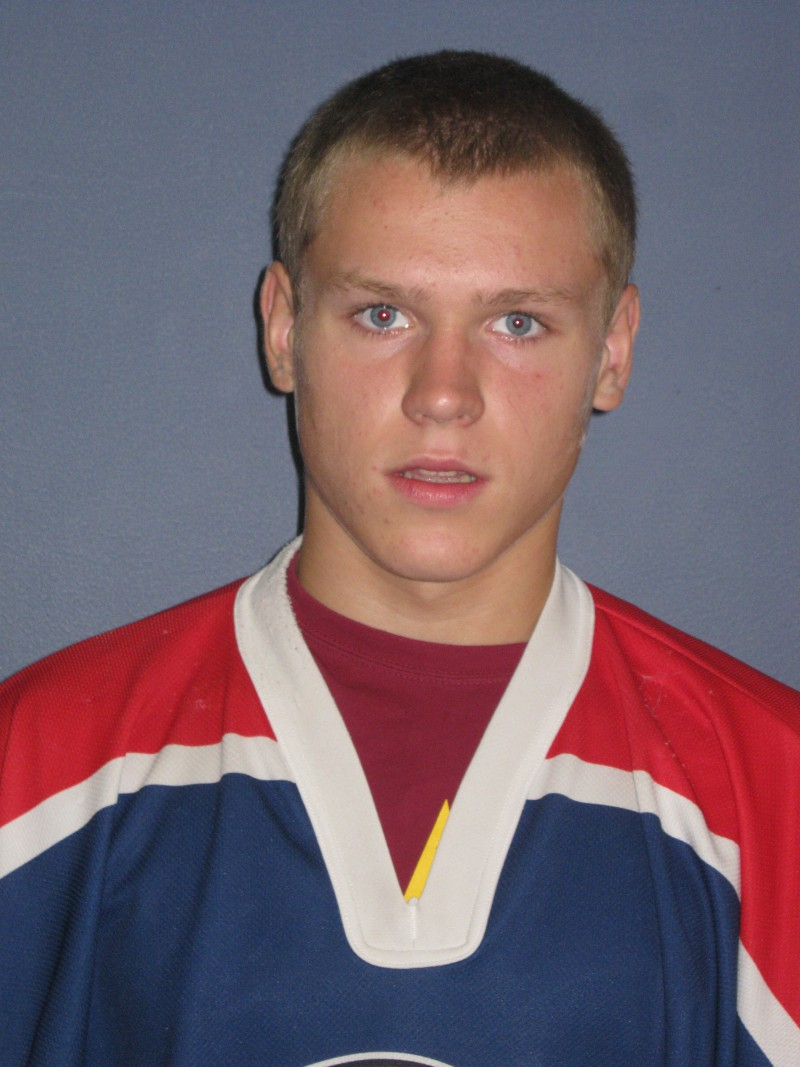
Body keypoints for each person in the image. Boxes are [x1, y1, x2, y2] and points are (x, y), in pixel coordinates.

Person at [1, 49, 798, 1067]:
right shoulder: (37, 771)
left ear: (612, 351)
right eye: (383, 315)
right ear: (283, 327)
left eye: (517, 322)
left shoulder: (771, 790)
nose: (443, 393)